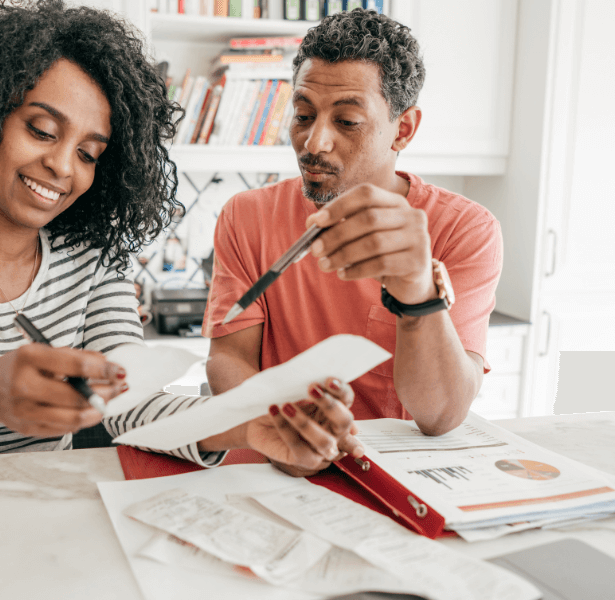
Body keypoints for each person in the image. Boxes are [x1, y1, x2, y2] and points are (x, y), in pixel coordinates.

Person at [0, 0, 358, 515]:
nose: (63, 168)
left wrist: (256, 422)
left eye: (90, 152)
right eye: (43, 131)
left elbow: (133, 406)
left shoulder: (92, 257)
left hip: (39, 521)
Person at [203, 9, 503, 476]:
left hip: (388, 477)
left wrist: (417, 289)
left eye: (346, 121)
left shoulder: (464, 229)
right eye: (303, 115)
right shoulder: (247, 215)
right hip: (270, 468)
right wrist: (282, 426)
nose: (313, 142)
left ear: (402, 129)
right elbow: (228, 358)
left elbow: (441, 414)